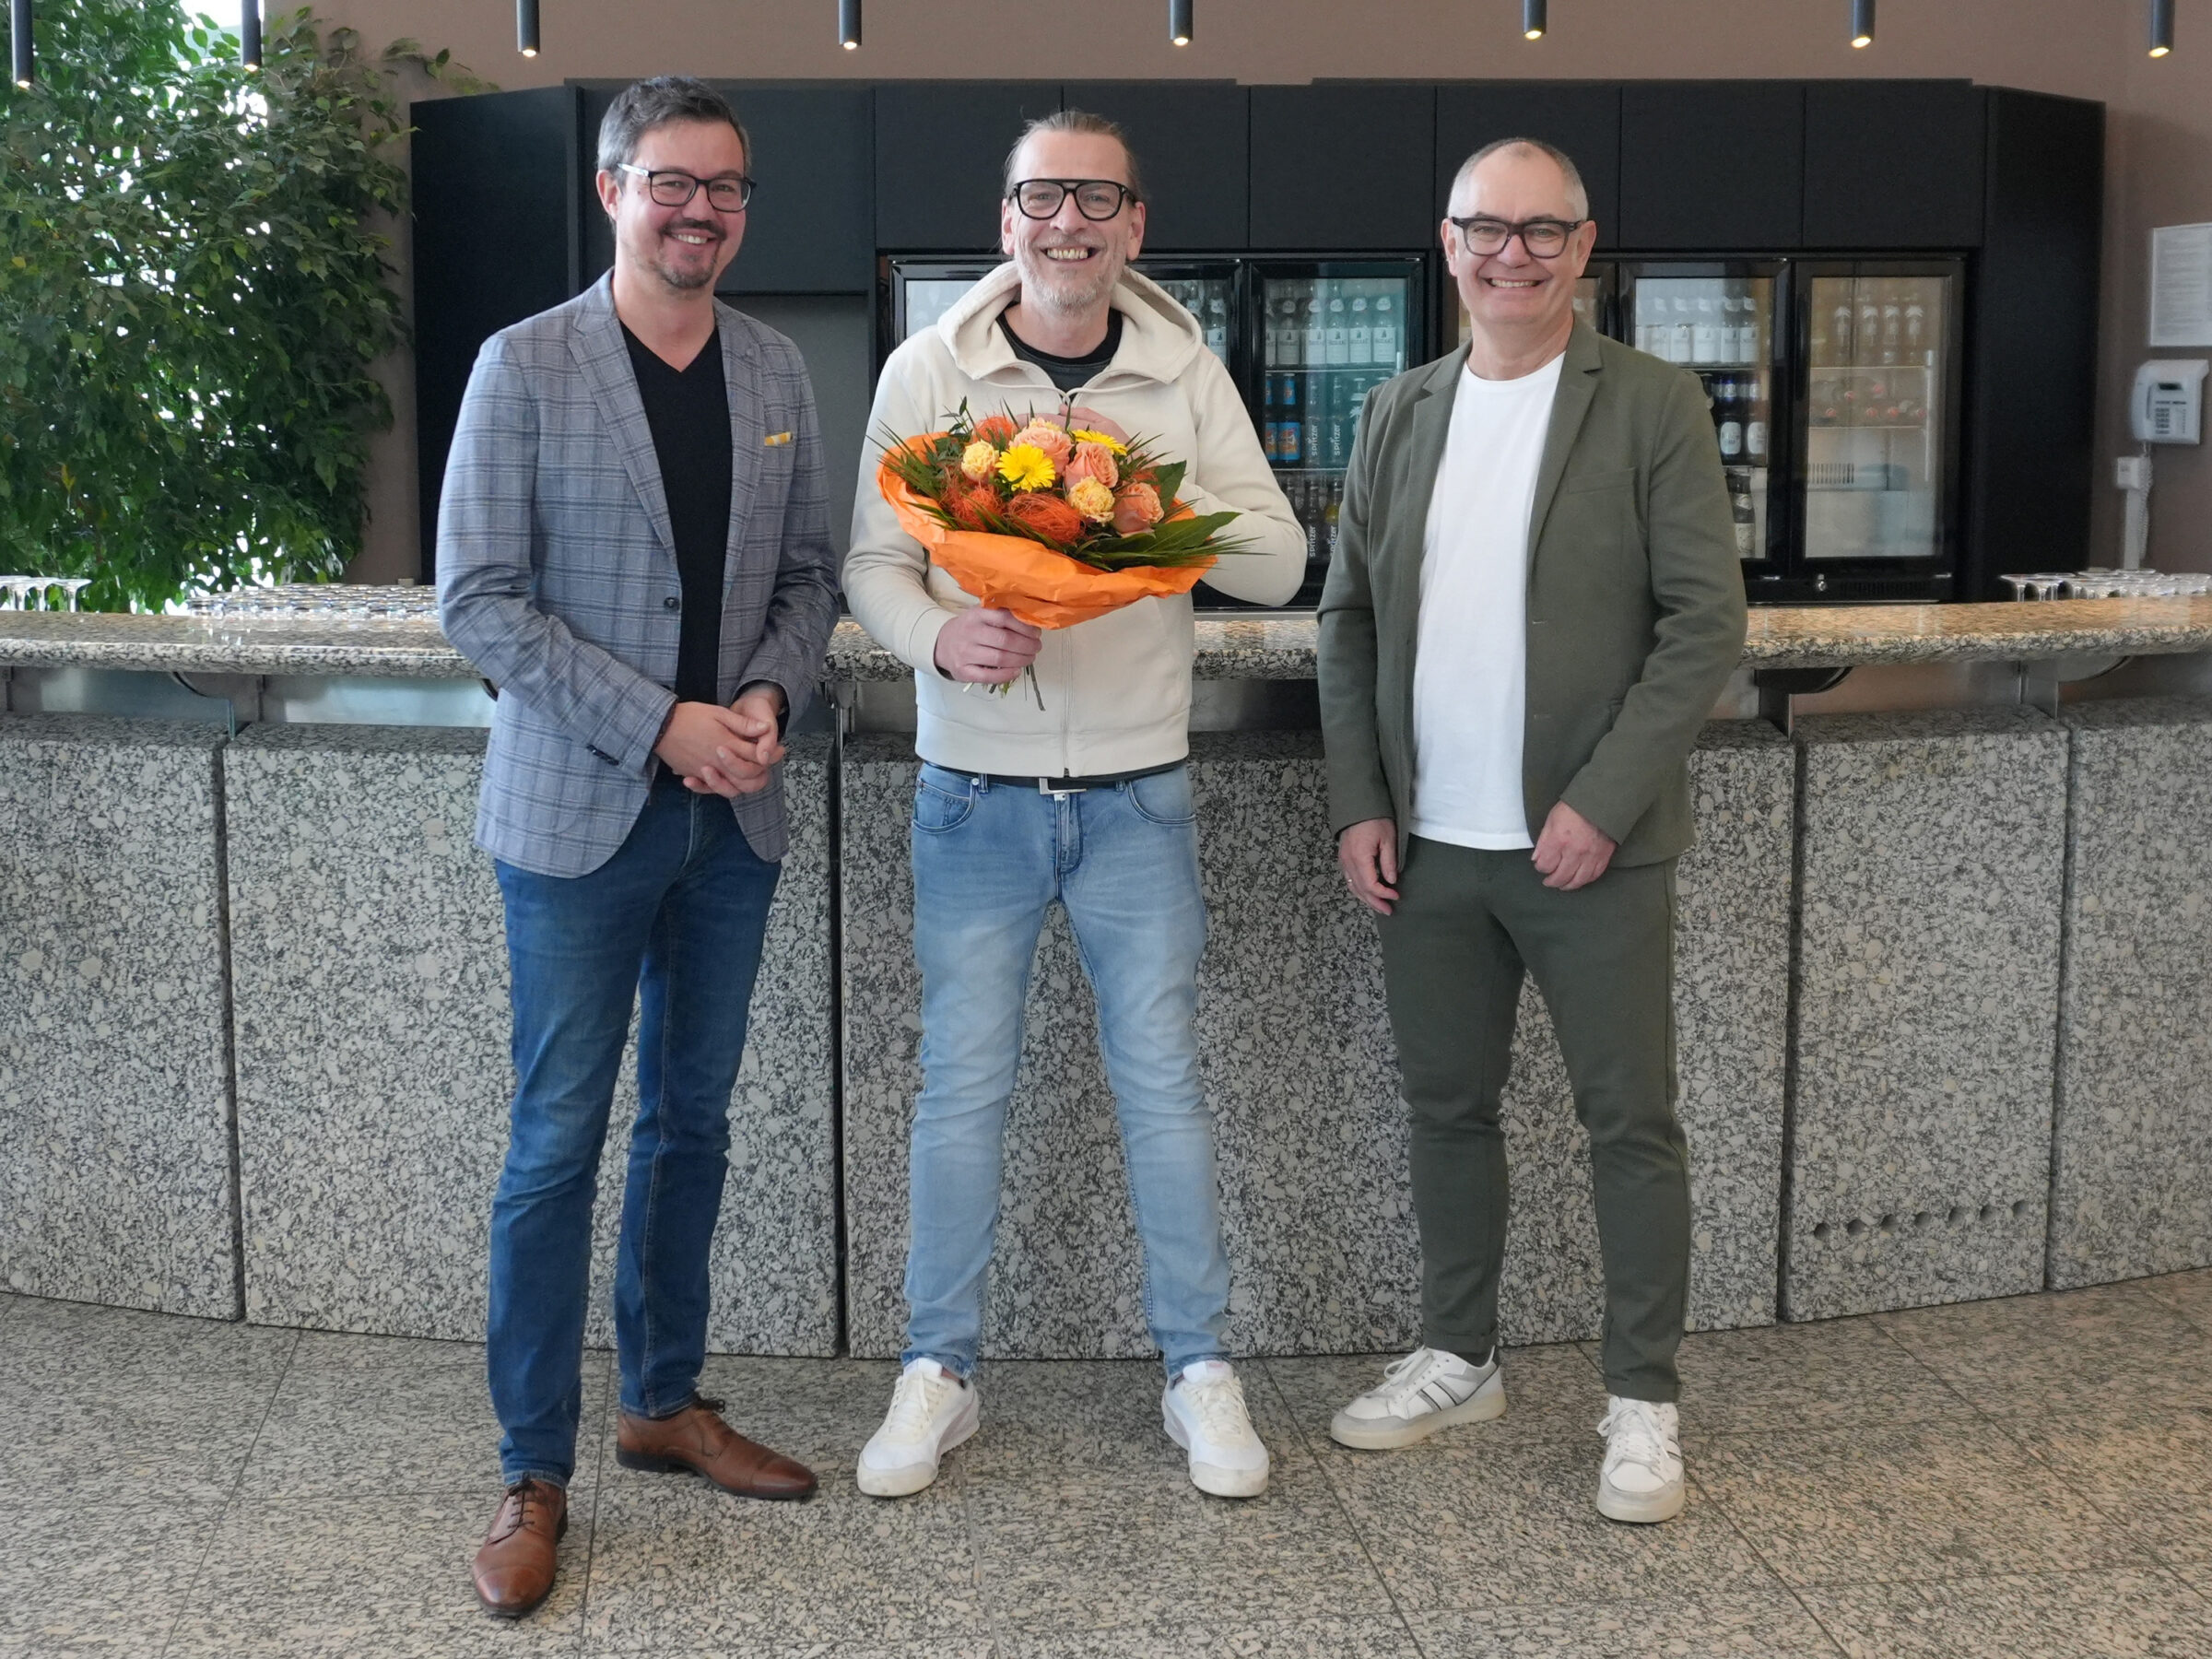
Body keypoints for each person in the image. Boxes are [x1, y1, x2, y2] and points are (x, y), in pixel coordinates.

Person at [842, 110, 1306, 1500]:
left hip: (1137, 798)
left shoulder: (1183, 374)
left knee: (1163, 1089)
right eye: (1042, 196)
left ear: (1133, 227)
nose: (1069, 224)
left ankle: (1199, 1370)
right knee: (960, 1088)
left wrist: (1130, 529)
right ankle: (940, 1370)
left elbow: (1281, 566)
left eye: (1097, 200)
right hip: (971, 795)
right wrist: (941, 637)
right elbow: (874, 563)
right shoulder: (932, 369)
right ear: (1007, 220)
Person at [438, 76, 840, 1617]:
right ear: (614, 190)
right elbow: (478, 600)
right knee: (556, 1143)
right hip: (580, 819)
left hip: (730, 816)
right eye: (673, 181)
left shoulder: (775, 367)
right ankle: (532, 1466)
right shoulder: (522, 368)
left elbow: (807, 582)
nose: (702, 210)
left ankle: (661, 1401)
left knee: (696, 1124)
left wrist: (757, 695)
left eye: (726, 186)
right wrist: (659, 718)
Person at [1315, 137, 1747, 1524]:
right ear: (1447, 243)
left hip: (1589, 846)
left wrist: (1601, 800)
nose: (1514, 253)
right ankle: (1458, 1355)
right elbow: (1348, 620)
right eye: (1487, 229)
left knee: (1630, 1122)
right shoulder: (1396, 411)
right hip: (1429, 845)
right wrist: (1363, 801)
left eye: (1542, 230)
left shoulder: (1652, 402)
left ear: (1584, 244)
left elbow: (1704, 626)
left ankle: (1643, 1400)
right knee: (1447, 1111)